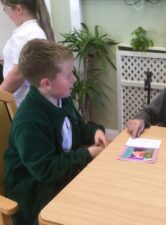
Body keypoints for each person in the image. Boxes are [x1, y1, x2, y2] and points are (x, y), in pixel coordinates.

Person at [4, 39, 108, 225]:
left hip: (63, 179)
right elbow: (46, 170)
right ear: (46, 84)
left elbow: (79, 128)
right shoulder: (29, 122)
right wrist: (87, 153)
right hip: (37, 197)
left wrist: (94, 132)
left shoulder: (61, 97)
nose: (74, 80)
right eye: (68, 76)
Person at [0, 0, 55, 106]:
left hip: (21, 102)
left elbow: (18, 73)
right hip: (25, 100)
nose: (8, 15)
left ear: (19, 9)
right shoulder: (34, 31)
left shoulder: (25, 34)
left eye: (7, 9)